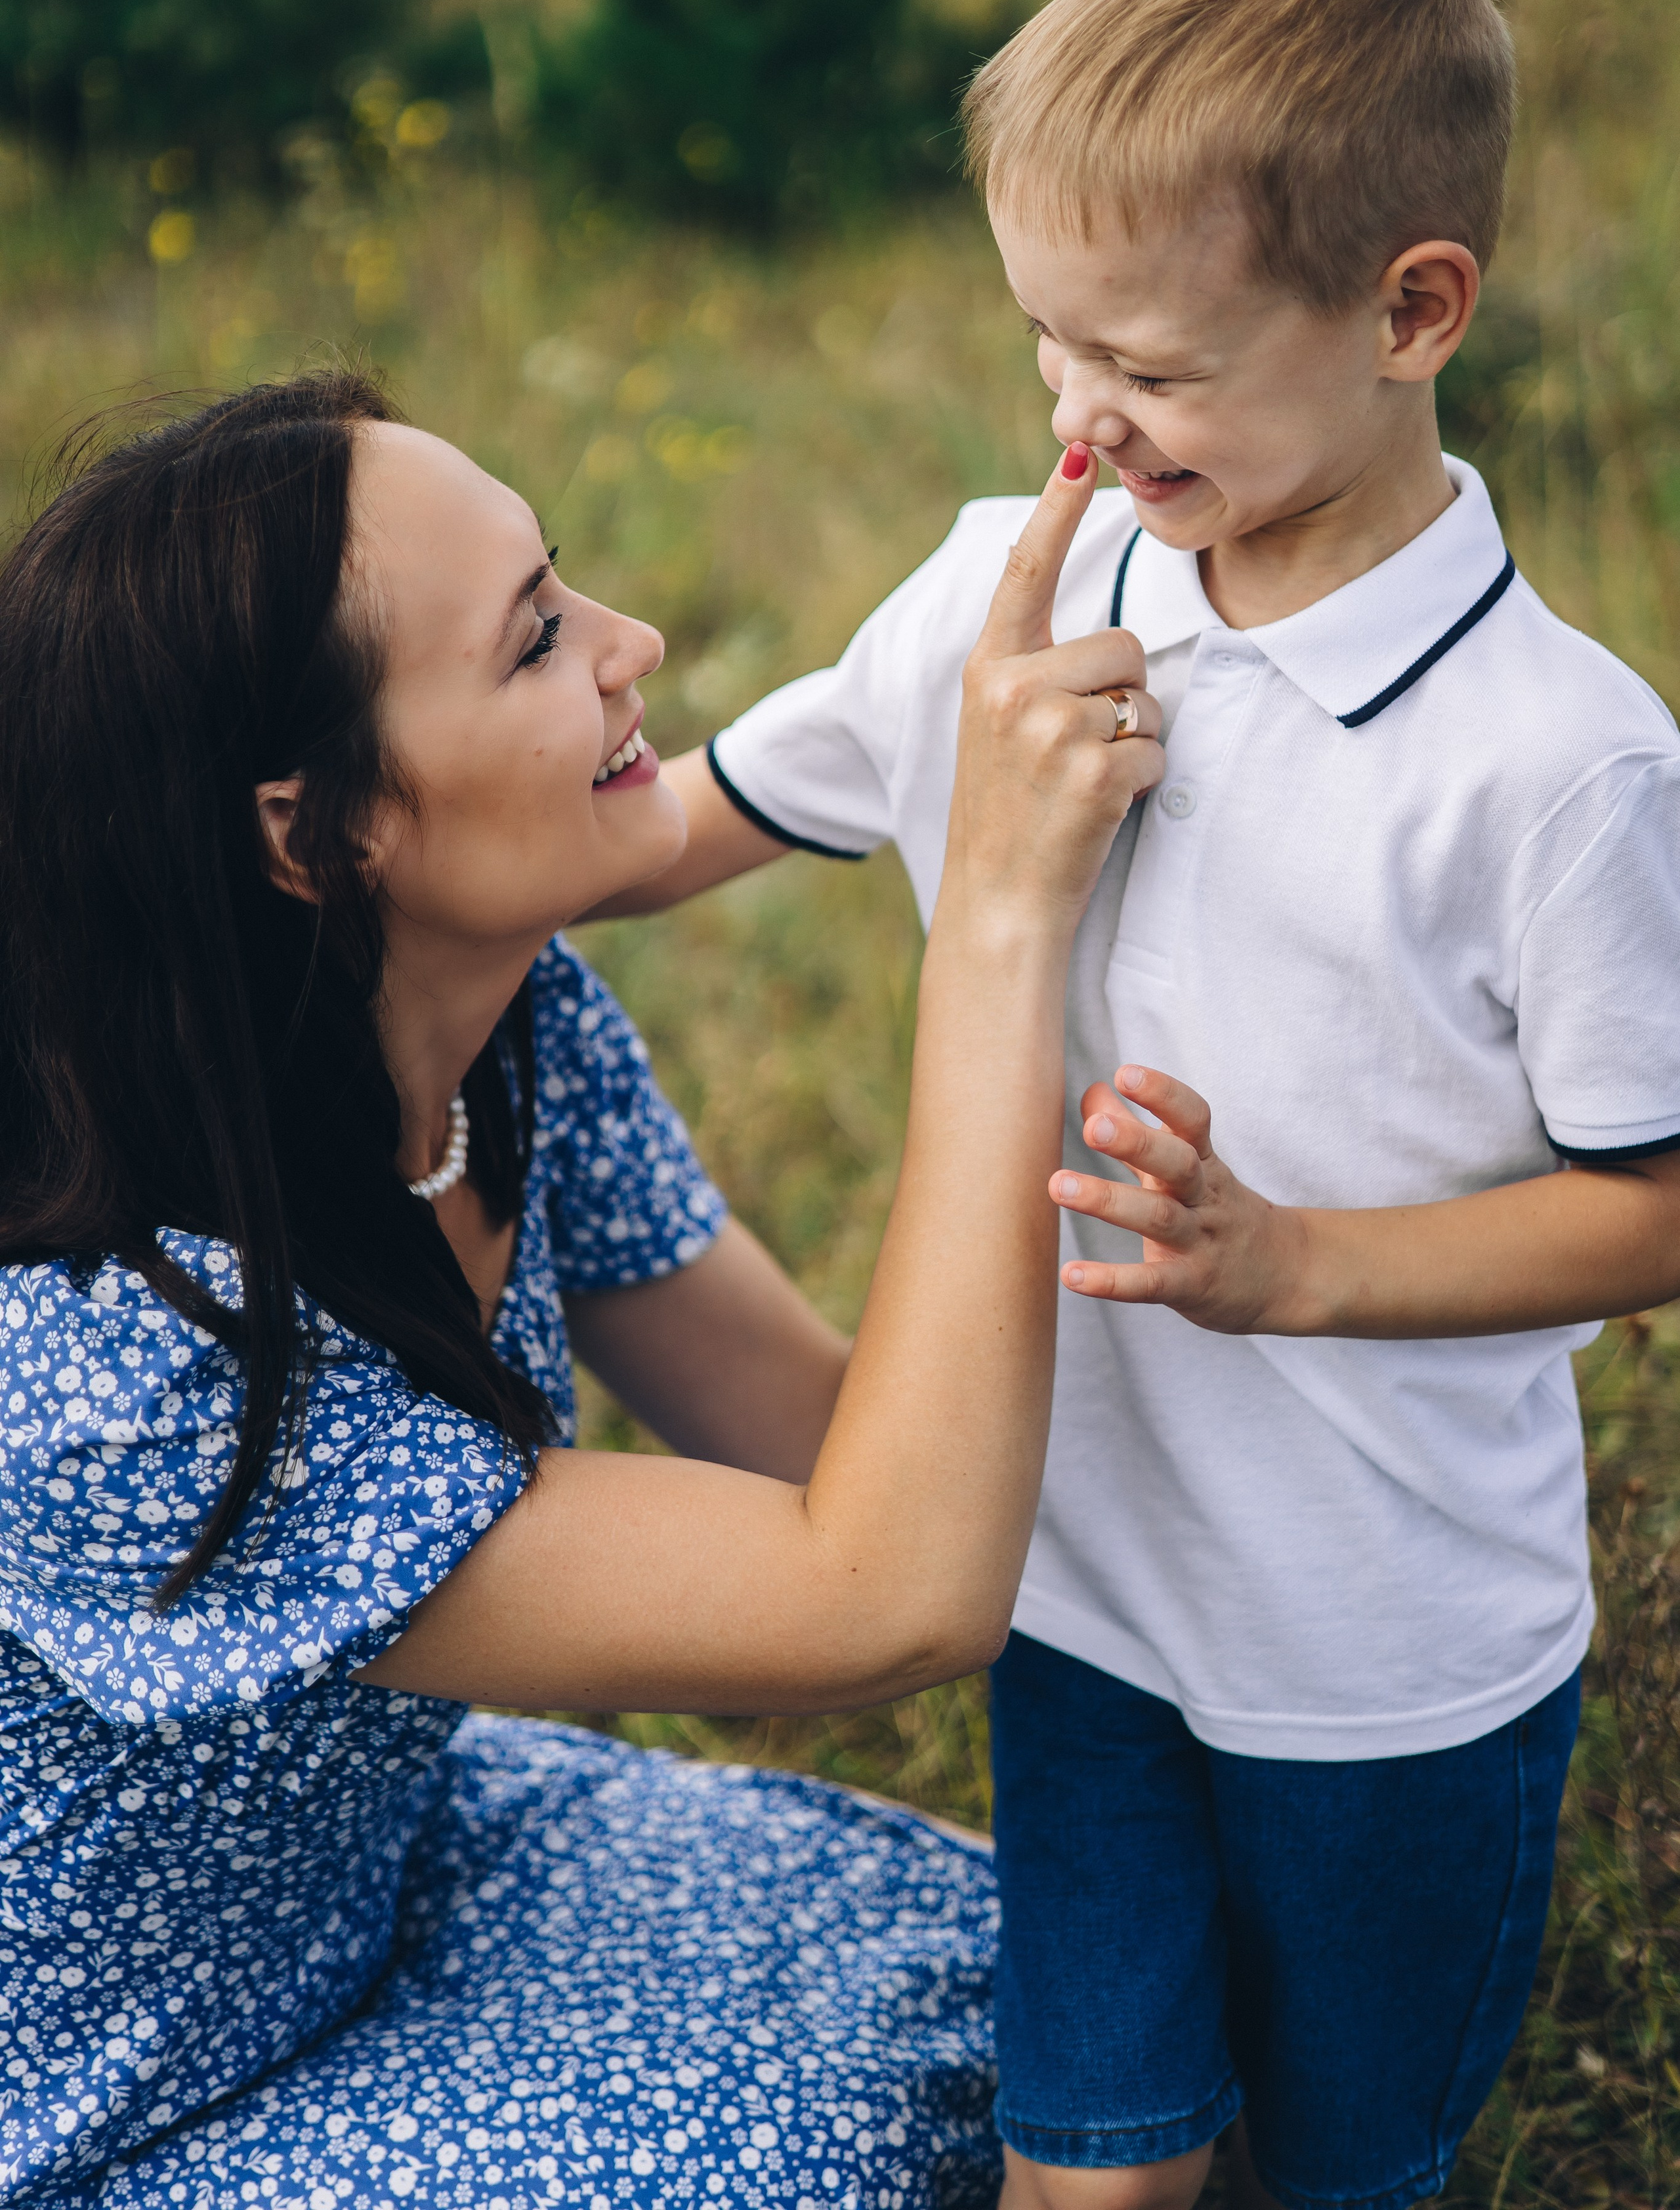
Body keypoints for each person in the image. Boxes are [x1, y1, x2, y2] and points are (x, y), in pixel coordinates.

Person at [600, 0, 1680, 2210]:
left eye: (1160, 369)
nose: (1086, 424)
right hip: (1078, 1603)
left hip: (1391, 1670)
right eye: (1047, 353)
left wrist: (1297, 1263)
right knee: (1086, 2156)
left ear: (1416, 309)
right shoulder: (1024, 580)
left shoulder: (1560, 766)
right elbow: (687, 824)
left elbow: (1657, 1205)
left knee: (1328, 2165)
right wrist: (339, 862)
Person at [0, 372, 1164, 2209]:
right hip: (104, 2100)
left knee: (1043, 2011)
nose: (637, 644)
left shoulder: (503, 1029)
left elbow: (828, 1440)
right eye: (538, 641)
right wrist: (1003, 920)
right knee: (827, 2168)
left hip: (386, 1872)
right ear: (312, 838)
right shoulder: (115, 1356)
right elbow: (888, 1596)